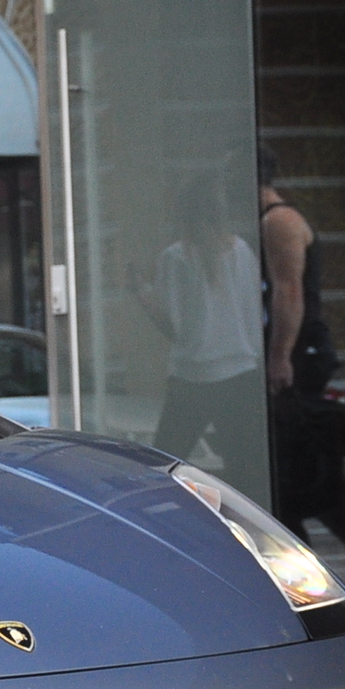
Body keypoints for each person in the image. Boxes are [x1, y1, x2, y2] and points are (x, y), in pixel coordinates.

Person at [259, 146, 345, 584]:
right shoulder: (271, 221)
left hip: (299, 355)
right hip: (298, 353)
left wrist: (281, 355)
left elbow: (290, 292)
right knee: (296, 473)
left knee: (292, 473)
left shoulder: (278, 222)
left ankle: (305, 568)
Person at [139, 171, 268, 499]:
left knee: (165, 464)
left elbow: (175, 327)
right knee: (245, 468)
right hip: (241, 372)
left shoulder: (177, 257)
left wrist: (141, 292)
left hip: (193, 377)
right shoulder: (241, 252)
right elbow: (255, 313)